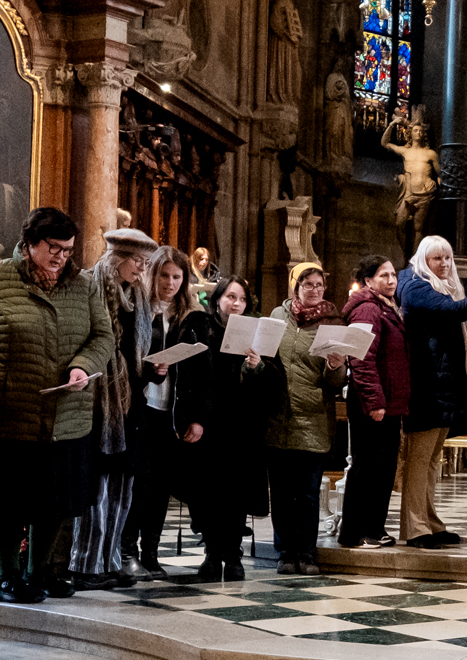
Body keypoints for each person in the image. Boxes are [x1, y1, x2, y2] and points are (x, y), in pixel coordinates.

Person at [0, 208, 114, 603]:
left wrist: (83, 366)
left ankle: (39, 572)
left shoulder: (83, 285)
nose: (61, 257)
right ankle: (5, 576)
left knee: (56, 499)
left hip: (67, 413)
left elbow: (103, 337)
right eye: (53, 248)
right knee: (9, 500)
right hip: (9, 409)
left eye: (68, 250)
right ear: (30, 242)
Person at [72, 226, 157, 589]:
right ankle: (86, 563)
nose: (142, 269)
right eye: (137, 261)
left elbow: (137, 353)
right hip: (98, 401)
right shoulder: (89, 288)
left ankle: (110, 560)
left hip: (129, 403)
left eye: (145, 262)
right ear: (117, 259)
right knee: (97, 485)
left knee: (123, 485)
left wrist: (153, 369)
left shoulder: (137, 296)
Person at [174, 276, 273, 580]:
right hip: (209, 424)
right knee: (207, 492)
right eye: (230, 297)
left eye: (242, 299)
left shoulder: (256, 332)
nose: (236, 304)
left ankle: (232, 555)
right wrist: (191, 417)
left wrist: (256, 367)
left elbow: (271, 381)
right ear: (217, 299)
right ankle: (211, 553)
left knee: (235, 493)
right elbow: (187, 375)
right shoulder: (200, 326)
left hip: (241, 427)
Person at [266, 262, 347, 574]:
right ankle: (285, 553)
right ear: (295, 286)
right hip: (278, 416)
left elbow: (335, 383)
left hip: (313, 418)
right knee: (281, 493)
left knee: (308, 493)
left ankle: (307, 553)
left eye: (319, 285)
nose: (315, 290)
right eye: (308, 284)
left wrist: (335, 365)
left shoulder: (333, 323)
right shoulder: (277, 316)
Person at [398, 236, 467, 548]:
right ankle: (414, 527)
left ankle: (430, 522)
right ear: (423, 261)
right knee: (419, 460)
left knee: (432, 459)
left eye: (447, 258)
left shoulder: (444, 287)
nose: (444, 264)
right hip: (425, 386)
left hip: (442, 385)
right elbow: (452, 311)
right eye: (437, 259)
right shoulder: (416, 286)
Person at [126, 247, 193, 577]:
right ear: (153, 275)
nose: (170, 283)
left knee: (162, 486)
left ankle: (151, 552)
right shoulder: (138, 310)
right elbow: (126, 358)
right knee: (140, 484)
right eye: (164, 275)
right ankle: (127, 550)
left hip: (172, 411)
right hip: (141, 408)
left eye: (177, 277)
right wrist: (150, 371)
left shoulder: (187, 317)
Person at [342, 255, 411, 550]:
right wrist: (374, 402)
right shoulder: (368, 309)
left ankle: (374, 527)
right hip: (371, 404)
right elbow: (361, 358)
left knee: (383, 468)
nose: (392, 280)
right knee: (367, 467)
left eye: (393, 275)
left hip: (389, 402)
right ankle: (353, 532)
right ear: (368, 280)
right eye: (384, 275)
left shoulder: (388, 307)